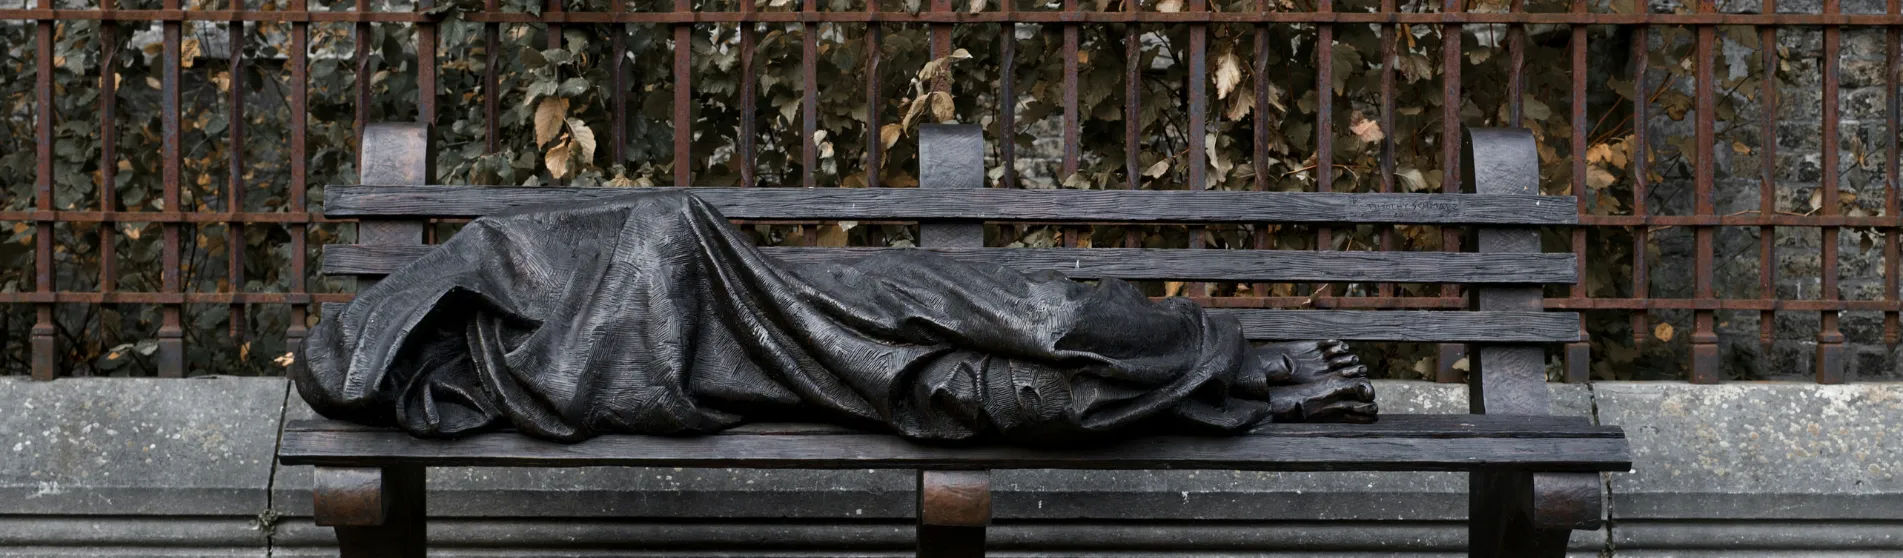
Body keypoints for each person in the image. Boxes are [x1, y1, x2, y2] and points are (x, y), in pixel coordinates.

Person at [295, 190, 1377, 444]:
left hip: (817, 302)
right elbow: (343, 374)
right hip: (797, 371)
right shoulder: (514, 374)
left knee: (1054, 316)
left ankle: (1237, 359)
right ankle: (1251, 389)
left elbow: (667, 235)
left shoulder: (510, 255)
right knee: (1010, 394)